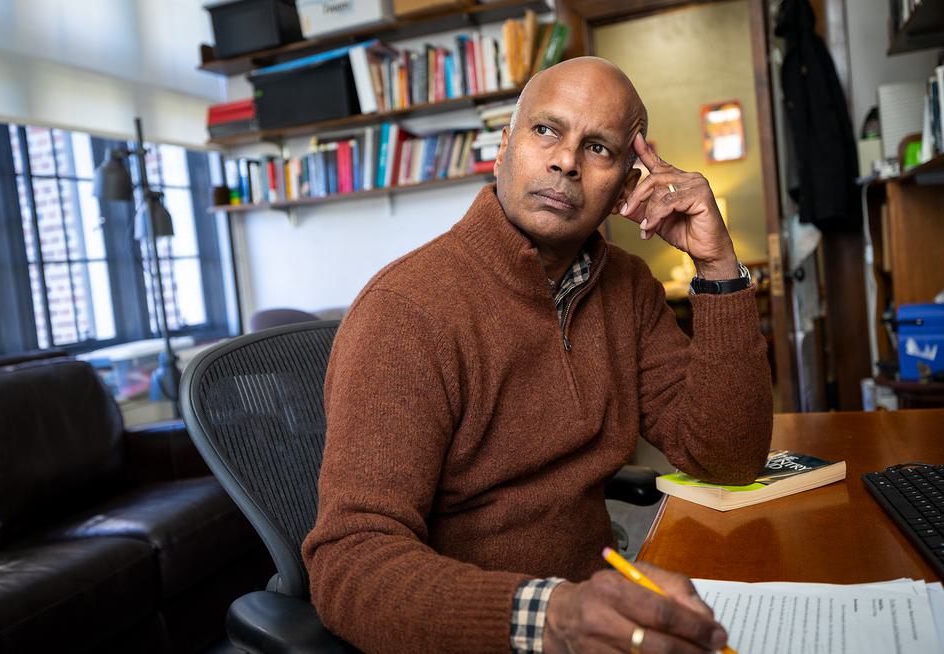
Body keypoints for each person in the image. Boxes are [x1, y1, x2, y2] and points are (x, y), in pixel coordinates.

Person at [302, 56, 773, 654]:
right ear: (503, 148)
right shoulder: (405, 311)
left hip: (600, 608)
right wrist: (545, 617)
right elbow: (349, 565)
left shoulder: (627, 287)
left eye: (598, 147)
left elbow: (728, 457)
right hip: (487, 632)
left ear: (628, 186)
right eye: (545, 130)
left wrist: (717, 267)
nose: (565, 162)